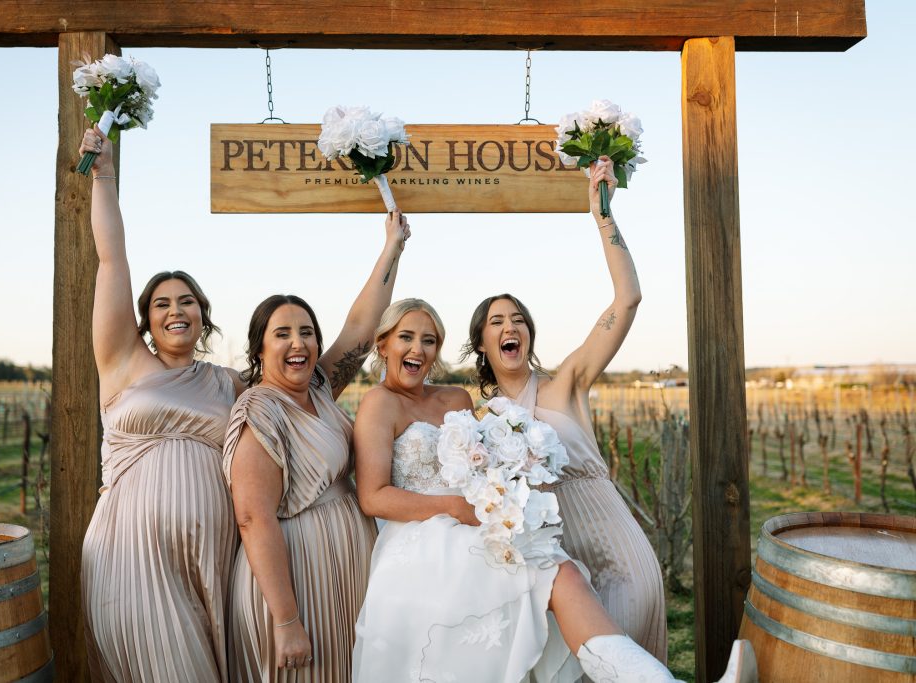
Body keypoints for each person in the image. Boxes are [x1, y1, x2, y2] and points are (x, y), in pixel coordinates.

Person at [352, 299, 755, 682]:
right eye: (406, 337)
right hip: (426, 538)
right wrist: (458, 508)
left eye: (429, 340)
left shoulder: (455, 398)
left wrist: (505, 485)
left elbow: (481, 465)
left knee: (564, 575)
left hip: (482, 524)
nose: (418, 349)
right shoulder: (378, 403)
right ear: (382, 345)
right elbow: (373, 496)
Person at [461, 157, 667, 661]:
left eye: (517, 319)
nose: (510, 326)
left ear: (528, 334)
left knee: (621, 661)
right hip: (549, 566)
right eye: (496, 322)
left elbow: (628, 298)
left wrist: (603, 216)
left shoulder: (568, 383)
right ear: (482, 342)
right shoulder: (479, 420)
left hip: (614, 547)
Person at [77, 127, 246, 681]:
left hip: (209, 557)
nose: (176, 310)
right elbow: (111, 260)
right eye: (162, 303)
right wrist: (103, 174)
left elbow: (311, 370)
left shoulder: (229, 383)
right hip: (127, 552)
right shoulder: (124, 362)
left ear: (203, 315)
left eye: (187, 301)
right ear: (145, 319)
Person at [223, 210, 410, 682]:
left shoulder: (320, 388)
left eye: (306, 332)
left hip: (346, 566)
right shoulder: (259, 410)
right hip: (298, 578)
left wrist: (392, 248)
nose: (298, 343)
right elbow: (253, 517)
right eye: (282, 334)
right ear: (259, 349)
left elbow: (362, 327)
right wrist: (286, 620)